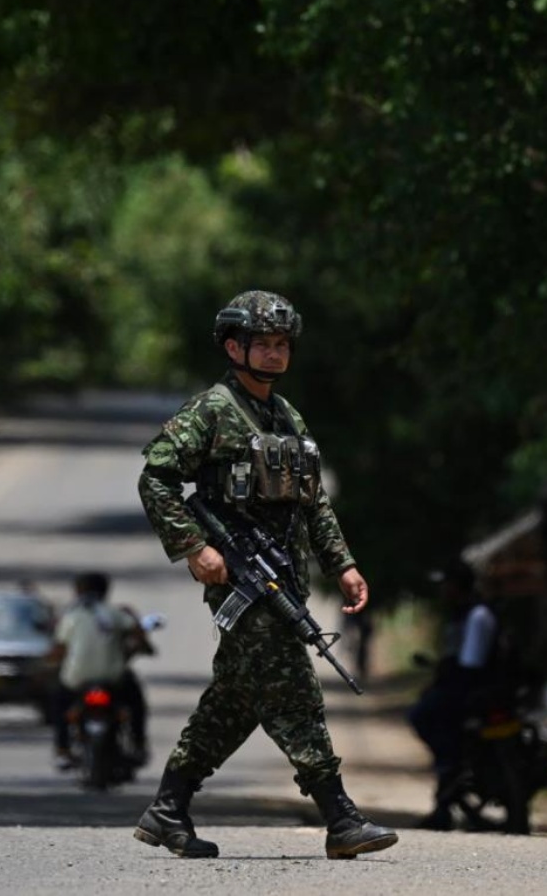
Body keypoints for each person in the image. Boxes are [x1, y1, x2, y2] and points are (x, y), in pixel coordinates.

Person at [132, 291, 399, 860]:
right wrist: (194, 548)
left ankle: (168, 808)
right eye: (263, 344)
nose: (275, 354)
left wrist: (343, 564)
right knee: (294, 691)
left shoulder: (287, 417)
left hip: (283, 579)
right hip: (241, 581)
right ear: (234, 348)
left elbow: (313, 502)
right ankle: (340, 817)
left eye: (282, 345)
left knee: (235, 701)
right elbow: (156, 478)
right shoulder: (212, 410)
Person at [408, 557, 498, 830]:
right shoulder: (462, 614)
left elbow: (470, 664)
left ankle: (450, 768)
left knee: (423, 716)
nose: (442, 590)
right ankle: (447, 787)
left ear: (457, 585)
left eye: (446, 584)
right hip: (462, 687)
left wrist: (446, 682)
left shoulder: (477, 615)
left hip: (471, 691)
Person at [48, 572, 150, 770]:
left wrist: (49, 661)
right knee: (136, 702)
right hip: (113, 678)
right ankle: (138, 744)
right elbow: (138, 635)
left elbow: (59, 649)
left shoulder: (70, 617)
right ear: (105, 591)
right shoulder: (116, 613)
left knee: (60, 704)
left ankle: (62, 749)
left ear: (78, 591)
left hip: (76, 679)